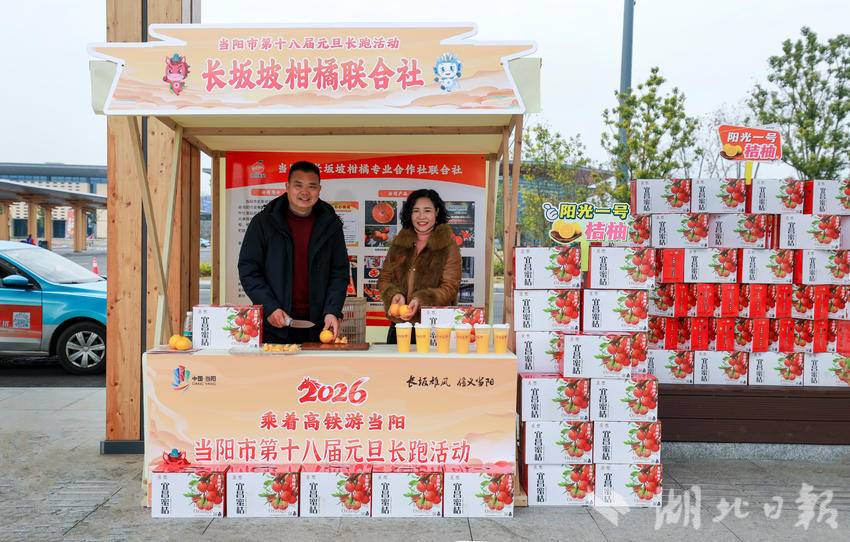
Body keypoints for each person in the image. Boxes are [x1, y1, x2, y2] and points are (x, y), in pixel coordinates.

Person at [238, 161, 349, 344]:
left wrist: (332, 311)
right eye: (298, 185)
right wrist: (270, 307)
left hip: (319, 327)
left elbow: (339, 272)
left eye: (311, 186)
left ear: (319, 190)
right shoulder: (264, 222)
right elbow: (249, 270)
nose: (305, 192)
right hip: (275, 325)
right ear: (287, 187)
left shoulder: (331, 224)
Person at [377, 189, 461, 343]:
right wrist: (394, 295)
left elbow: (450, 287)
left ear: (436, 212)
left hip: (433, 326)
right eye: (416, 211)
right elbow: (384, 278)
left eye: (427, 210)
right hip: (400, 326)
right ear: (410, 213)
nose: (421, 216)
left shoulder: (448, 245)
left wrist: (422, 300)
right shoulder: (399, 242)